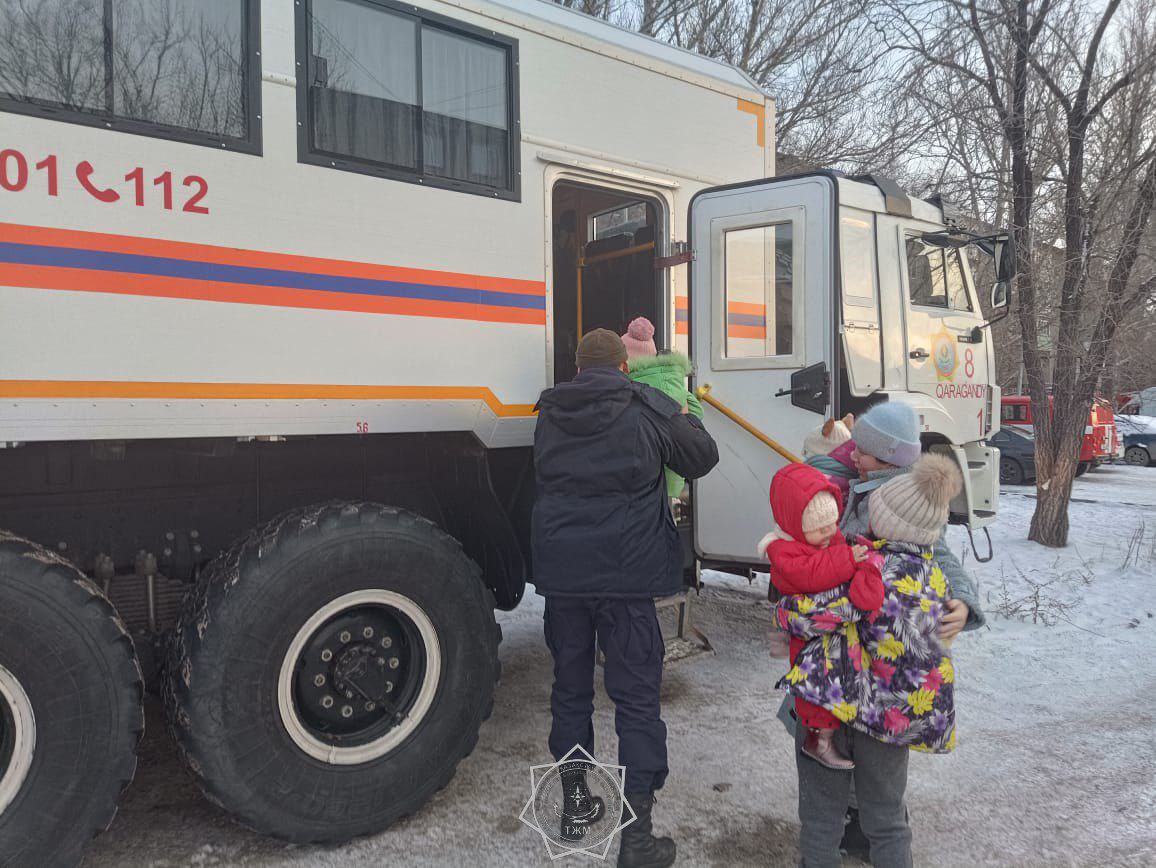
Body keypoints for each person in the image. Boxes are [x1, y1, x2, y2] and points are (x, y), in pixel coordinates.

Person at [532, 328, 719, 868]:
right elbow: (700, 458)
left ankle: (574, 807)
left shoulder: (549, 413)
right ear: (624, 368)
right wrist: (682, 407)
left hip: (564, 579)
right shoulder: (646, 406)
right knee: (636, 701)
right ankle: (636, 838)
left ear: (575, 367)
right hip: (627, 579)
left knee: (570, 692)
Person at [777, 401, 986, 858]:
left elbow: (942, 556)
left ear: (888, 460)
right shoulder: (865, 476)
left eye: (864, 452)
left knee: (854, 794)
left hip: (856, 667)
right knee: (873, 788)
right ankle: (862, 824)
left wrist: (965, 600)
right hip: (856, 668)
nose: (854, 454)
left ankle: (858, 827)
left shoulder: (899, 505)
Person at [759, 463, 883, 770]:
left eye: (832, 524)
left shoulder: (827, 539)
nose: (829, 533)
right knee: (815, 685)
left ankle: (829, 733)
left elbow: (838, 553)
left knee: (834, 681)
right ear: (795, 525)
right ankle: (817, 739)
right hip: (807, 637)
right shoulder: (784, 551)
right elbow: (812, 574)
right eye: (819, 529)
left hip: (831, 632)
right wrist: (846, 558)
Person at [620, 317, 703, 498]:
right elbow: (697, 412)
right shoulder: (672, 378)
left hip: (646, 473)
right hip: (675, 471)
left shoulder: (631, 383)